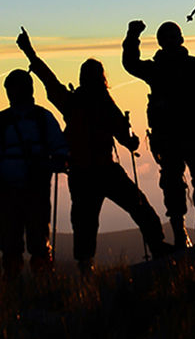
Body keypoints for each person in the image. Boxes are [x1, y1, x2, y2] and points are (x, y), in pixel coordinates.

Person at [17, 29, 171, 271]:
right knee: (139, 207)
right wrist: (132, 142)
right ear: (101, 78)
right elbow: (124, 135)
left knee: (84, 223)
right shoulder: (104, 102)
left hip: (80, 173)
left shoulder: (72, 102)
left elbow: (49, 80)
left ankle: (86, 267)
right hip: (105, 169)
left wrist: (30, 53)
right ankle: (158, 247)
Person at [123, 20, 195, 246]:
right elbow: (130, 63)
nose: (170, 41)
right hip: (168, 136)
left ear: (180, 39)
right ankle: (181, 231)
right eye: (165, 38)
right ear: (162, 42)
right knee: (173, 184)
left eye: (172, 36)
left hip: (189, 134)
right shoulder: (159, 68)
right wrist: (132, 35)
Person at [0, 69, 67, 278]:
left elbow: (59, 148)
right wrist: (57, 161)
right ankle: (42, 283)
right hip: (31, 186)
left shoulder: (5, 120)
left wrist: (58, 158)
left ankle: (16, 288)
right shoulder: (42, 117)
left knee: (16, 242)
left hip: (16, 188)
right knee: (28, 241)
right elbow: (59, 147)